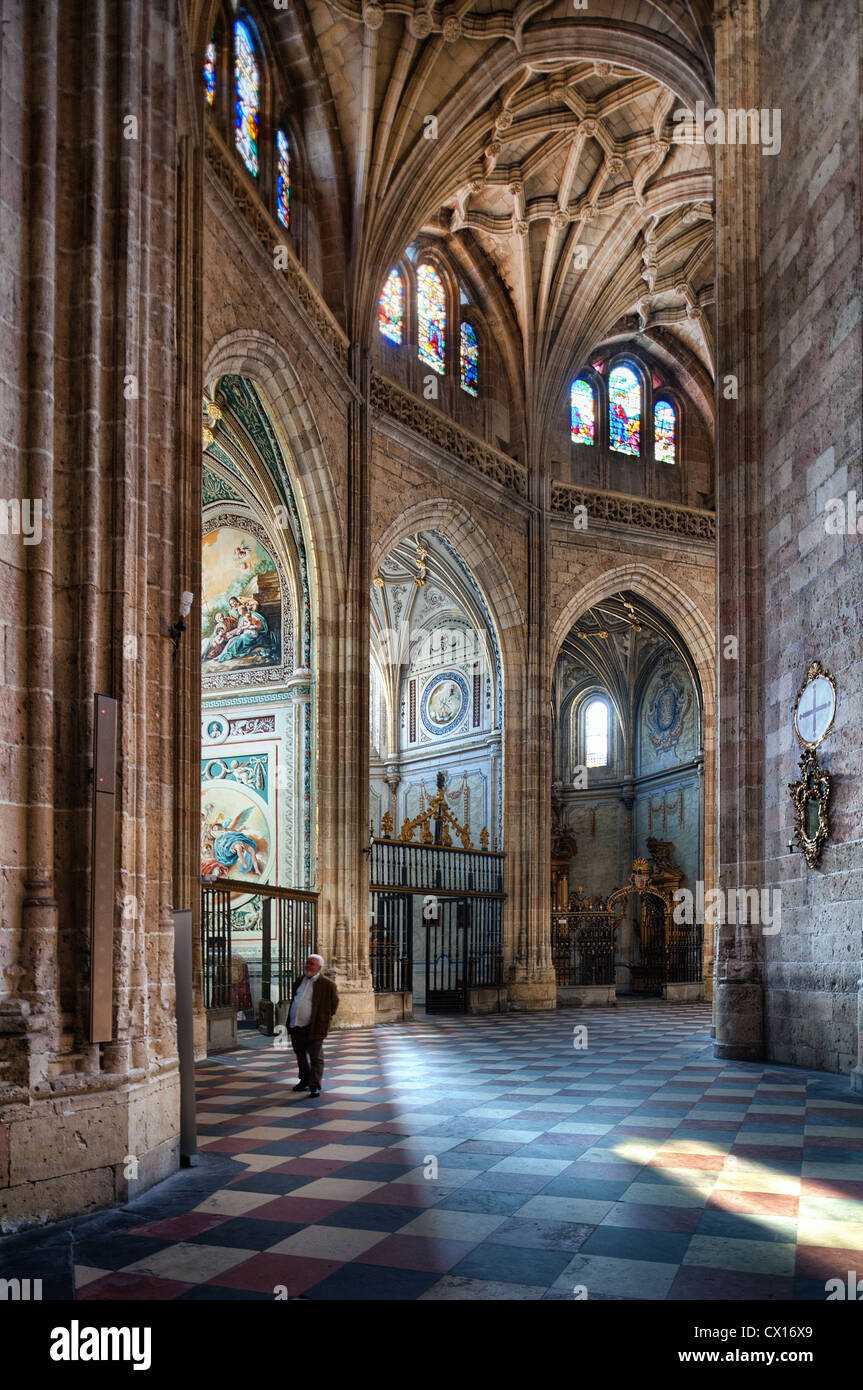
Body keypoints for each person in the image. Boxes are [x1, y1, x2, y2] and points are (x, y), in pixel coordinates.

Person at [286, 954, 338, 1098]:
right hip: (296, 1025)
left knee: (316, 1057)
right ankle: (304, 1080)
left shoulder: (328, 984)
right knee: (300, 1055)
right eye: (307, 963)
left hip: (315, 1026)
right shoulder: (299, 981)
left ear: (319, 968)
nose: (308, 966)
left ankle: (314, 1085)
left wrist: (323, 1019)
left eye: (312, 964)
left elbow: (334, 1005)